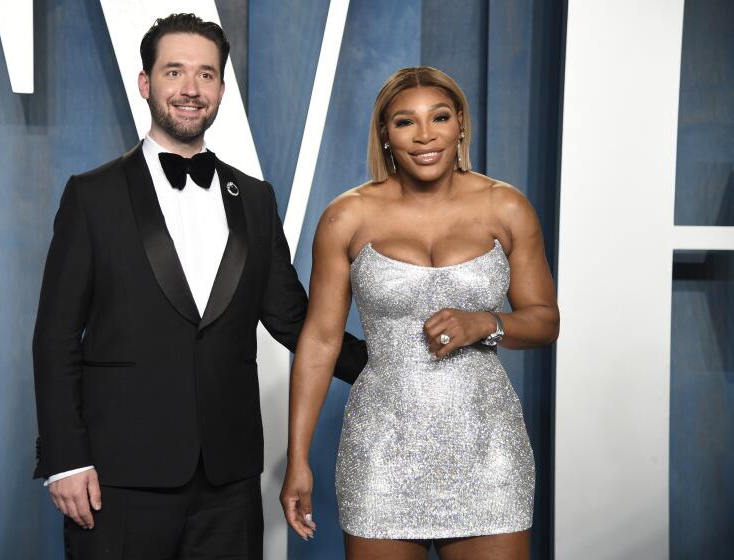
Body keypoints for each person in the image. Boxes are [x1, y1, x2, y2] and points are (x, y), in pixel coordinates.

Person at [32, 13, 366, 559]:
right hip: (117, 475)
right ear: (146, 83)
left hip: (228, 478)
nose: (190, 90)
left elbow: (290, 318)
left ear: (221, 89)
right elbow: (56, 337)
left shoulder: (255, 198)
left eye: (206, 75)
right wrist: (66, 459)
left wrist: (387, 371)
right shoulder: (92, 196)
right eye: (174, 72)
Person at [280, 66, 560, 560]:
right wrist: (297, 457)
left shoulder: (507, 207)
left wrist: (486, 323)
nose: (425, 135)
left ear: (460, 127)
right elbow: (321, 341)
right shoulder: (347, 216)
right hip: (382, 448)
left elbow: (544, 319)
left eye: (440, 117)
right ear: (385, 135)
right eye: (405, 122)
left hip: (486, 445)